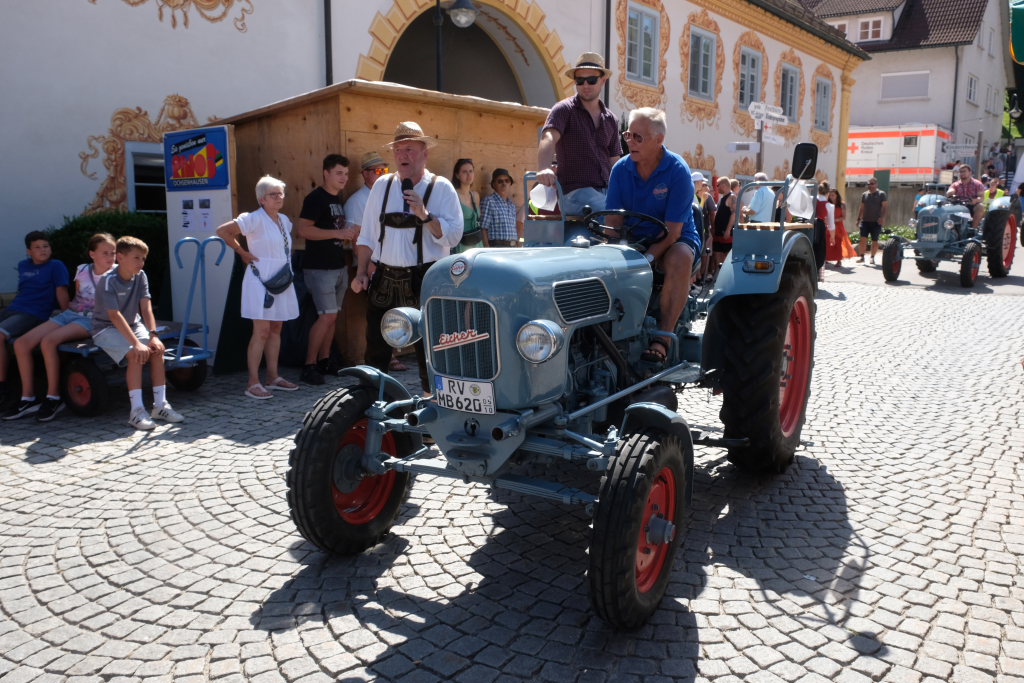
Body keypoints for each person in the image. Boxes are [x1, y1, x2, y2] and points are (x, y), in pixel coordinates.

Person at [351, 121, 463, 392]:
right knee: (375, 347)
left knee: (429, 348)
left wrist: (425, 214)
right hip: (385, 276)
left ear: (425, 152)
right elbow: (367, 235)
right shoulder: (382, 185)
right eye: (398, 150)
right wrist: (361, 272)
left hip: (425, 277)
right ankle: (372, 403)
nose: (403, 155)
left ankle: (433, 403)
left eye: (410, 149)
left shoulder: (441, 188)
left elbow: (453, 237)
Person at [604, 107, 700, 366]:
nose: (630, 142)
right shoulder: (621, 170)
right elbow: (613, 224)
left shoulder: (677, 170)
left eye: (638, 137)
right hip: (634, 238)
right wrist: (609, 252)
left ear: (659, 140)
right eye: (628, 135)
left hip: (674, 239)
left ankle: (664, 336)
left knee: (680, 257)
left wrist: (647, 258)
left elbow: (673, 231)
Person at [4, 233, 116, 421]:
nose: (110, 257)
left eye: (113, 252)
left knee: (49, 341)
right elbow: (78, 297)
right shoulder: (82, 270)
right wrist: (68, 311)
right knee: (21, 344)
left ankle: (54, 396)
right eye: (105, 253)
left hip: (94, 319)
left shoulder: (118, 274)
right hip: (72, 314)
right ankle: (28, 397)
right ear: (92, 254)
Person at [216, 176, 300, 400]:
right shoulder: (253, 218)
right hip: (260, 280)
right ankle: (253, 382)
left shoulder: (284, 220)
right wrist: (242, 253)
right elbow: (223, 231)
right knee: (261, 331)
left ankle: (273, 376)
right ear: (262, 199)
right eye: (273, 194)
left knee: (276, 329)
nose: (279, 198)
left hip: (281, 280)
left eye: (281, 193)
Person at [91, 236, 184, 430]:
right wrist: (136, 343)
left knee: (157, 350)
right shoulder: (108, 281)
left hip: (133, 324)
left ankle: (160, 406)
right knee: (136, 354)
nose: (141, 262)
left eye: (143, 258)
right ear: (120, 257)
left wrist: (153, 335)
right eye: (136, 258)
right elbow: (114, 316)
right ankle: (136, 412)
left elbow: (146, 307)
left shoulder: (141, 275)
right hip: (106, 328)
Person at [535, 52, 622, 216]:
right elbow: (548, 137)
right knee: (611, 213)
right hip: (574, 192)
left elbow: (614, 161)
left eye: (591, 80)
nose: (585, 85)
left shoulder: (611, 119)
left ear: (603, 80)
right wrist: (544, 168)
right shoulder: (564, 109)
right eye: (580, 81)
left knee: (631, 212)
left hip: (606, 192)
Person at [296, 154, 355, 385]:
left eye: (346, 174)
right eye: (339, 173)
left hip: (338, 265)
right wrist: (337, 233)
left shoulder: (337, 198)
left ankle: (325, 360)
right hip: (320, 268)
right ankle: (308, 365)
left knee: (332, 317)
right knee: (326, 316)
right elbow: (303, 230)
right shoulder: (315, 198)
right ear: (326, 173)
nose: (344, 178)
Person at [0, 231, 70, 411]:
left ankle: (2, 387)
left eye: (45, 246)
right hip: (13, 309)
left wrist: (67, 316)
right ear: (28, 251)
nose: (43, 250)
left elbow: (61, 292)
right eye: (37, 247)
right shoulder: (23, 265)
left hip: (34, 313)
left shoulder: (56, 266)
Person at [344, 150, 393, 369]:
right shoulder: (357, 201)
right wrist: (368, 267)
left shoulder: (388, 195)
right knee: (377, 313)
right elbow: (356, 239)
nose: (383, 174)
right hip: (372, 266)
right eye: (377, 171)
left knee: (390, 311)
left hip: (390, 264)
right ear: (365, 174)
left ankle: (389, 354)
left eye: (385, 170)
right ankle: (380, 359)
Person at [480, 168, 525, 247]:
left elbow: (518, 228)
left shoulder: (512, 205)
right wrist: (487, 249)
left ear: (510, 183)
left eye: (507, 181)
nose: (504, 183)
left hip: (513, 247)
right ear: (494, 185)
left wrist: (519, 245)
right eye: (500, 181)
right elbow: (483, 228)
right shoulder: (488, 201)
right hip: (496, 246)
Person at [452, 158, 483, 251]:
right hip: (462, 244)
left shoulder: (475, 196)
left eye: (471, 171)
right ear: (457, 175)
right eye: (464, 172)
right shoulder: (453, 195)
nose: (469, 175)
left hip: (477, 243)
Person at [856, 177, 888, 264]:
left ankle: (872, 257)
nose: (870, 185)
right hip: (865, 221)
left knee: (875, 240)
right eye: (869, 184)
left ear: (876, 184)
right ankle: (862, 257)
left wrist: (882, 218)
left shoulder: (881, 194)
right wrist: (858, 219)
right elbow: (862, 207)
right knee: (862, 239)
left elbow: (885, 207)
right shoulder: (864, 194)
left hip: (876, 221)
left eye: (872, 184)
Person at [946, 165, 985, 230]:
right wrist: (950, 192)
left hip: (971, 206)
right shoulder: (955, 184)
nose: (962, 173)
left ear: (970, 172)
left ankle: (973, 229)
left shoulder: (978, 184)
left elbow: (981, 198)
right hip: (958, 206)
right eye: (960, 172)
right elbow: (950, 192)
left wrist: (975, 200)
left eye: (964, 171)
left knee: (980, 207)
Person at [710, 176, 736, 277]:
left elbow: (734, 214)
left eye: (718, 185)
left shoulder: (732, 197)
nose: (717, 187)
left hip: (725, 232)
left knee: (726, 256)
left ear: (724, 185)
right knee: (717, 253)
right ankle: (719, 276)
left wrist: (728, 230)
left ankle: (726, 277)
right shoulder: (723, 198)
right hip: (718, 232)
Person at [825, 189, 857, 267]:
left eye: (833, 195)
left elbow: (843, 217)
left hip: (838, 226)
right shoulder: (827, 204)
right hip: (829, 226)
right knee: (827, 242)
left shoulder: (842, 205)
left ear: (837, 195)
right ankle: (826, 258)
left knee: (838, 243)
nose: (831, 197)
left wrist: (834, 220)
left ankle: (839, 260)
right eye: (830, 195)